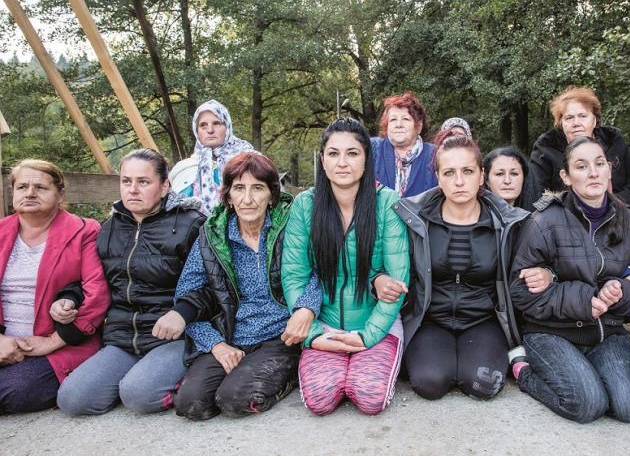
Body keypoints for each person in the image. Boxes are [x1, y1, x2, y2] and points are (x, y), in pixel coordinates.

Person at [508, 137, 630, 423]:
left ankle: (591, 373)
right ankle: (524, 371)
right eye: (581, 166)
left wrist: (622, 290)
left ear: (609, 169)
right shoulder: (544, 221)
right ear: (566, 176)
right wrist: (585, 300)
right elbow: (521, 292)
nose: (593, 173)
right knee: (588, 405)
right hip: (551, 331)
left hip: (605, 331)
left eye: (599, 164)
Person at [171, 152, 321, 421]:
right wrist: (215, 344)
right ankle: (242, 371)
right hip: (230, 334)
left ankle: (288, 373)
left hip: (280, 336)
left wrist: (306, 308)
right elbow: (188, 295)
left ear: (272, 195)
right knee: (190, 404)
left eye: (258, 188)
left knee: (235, 400)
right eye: (239, 188)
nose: (248, 199)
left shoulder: (290, 225)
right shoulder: (212, 235)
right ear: (228, 195)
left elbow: (321, 271)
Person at [378, 132, 528, 400]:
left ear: (482, 176)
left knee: (483, 386)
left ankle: (467, 360)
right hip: (430, 319)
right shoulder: (413, 219)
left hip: (483, 320)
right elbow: (381, 261)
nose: (459, 181)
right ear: (438, 178)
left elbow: (536, 264)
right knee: (430, 384)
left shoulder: (508, 224)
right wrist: (378, 279)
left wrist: (545, 273)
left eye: (468, 171)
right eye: (449, 173)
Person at [56, 149, 205, 415]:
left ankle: (174, 376)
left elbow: (213, 284)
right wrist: (69, 298)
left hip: (174, 336)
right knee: (73, 400)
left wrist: (182, 312)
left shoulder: (191, 224)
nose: (133, 189)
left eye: (143, 182)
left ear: (164, 187)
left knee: (138, 396)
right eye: (126, 181)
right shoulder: (109, 228)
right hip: (123, 338)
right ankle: (138, 377)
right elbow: (90, 280)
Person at [282, 118, 410, 416]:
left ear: (366, 159)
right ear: (322, 160)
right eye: (333, 153)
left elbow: (397, 281)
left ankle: (367, 359)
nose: (342, 162)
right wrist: (314, 335)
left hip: (376, 324)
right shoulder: (305, 205)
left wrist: (367, 337)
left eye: (352, 153)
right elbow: (294, 274)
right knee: (320, 400)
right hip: (324, 324)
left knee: (369, 397)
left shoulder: (387, 202)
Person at [0, 160, 110, 414]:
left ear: (60, 193)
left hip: (60, 344)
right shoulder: (2, 232)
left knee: (14, 391)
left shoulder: (84, 230)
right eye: (22, 187)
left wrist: (53, 341)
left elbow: (98, 294)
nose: (29, 193)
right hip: (5, 340)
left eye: (40, 187)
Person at [522, 87, 630, 210]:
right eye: (569, 118)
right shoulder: (546, 147)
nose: (576, 123)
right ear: (561, 124)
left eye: (583, 116)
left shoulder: (613, 140)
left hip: (617, 212)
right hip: (567, 218)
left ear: (594, 120)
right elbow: (535, 194)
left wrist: (611, 204)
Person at [171, 100, 254, 215]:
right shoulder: (184, 169)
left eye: (216, 123)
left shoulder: (250, 160)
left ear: (227, 127)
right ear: (196, 130)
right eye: (203, 125)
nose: (210, 130)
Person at [371, 91, 437, 197]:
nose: (398, 125)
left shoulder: (435, 155)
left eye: (405, 119)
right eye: (393, 120)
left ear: (419, 126)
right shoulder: (372, 149)